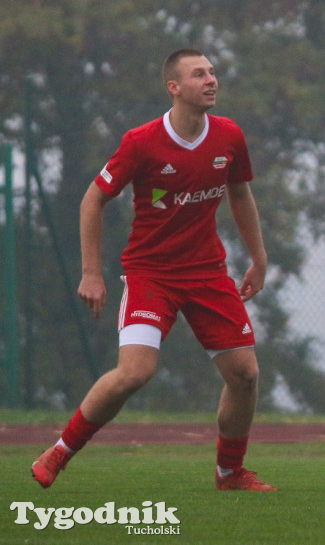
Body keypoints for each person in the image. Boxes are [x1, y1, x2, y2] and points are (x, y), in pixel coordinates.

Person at [31, 49, 275, 491]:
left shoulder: (228, 136)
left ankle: (229, 473)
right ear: (174, 88)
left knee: (245, 374)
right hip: (152, 276)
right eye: (199, 74)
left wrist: (258, 259)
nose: (211, 80)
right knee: (134, 374)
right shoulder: (142, 141)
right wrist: (91, 272)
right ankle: (59, 452)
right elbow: (93, 200)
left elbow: (239, 194)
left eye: (213, 72)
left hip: (208, 274)